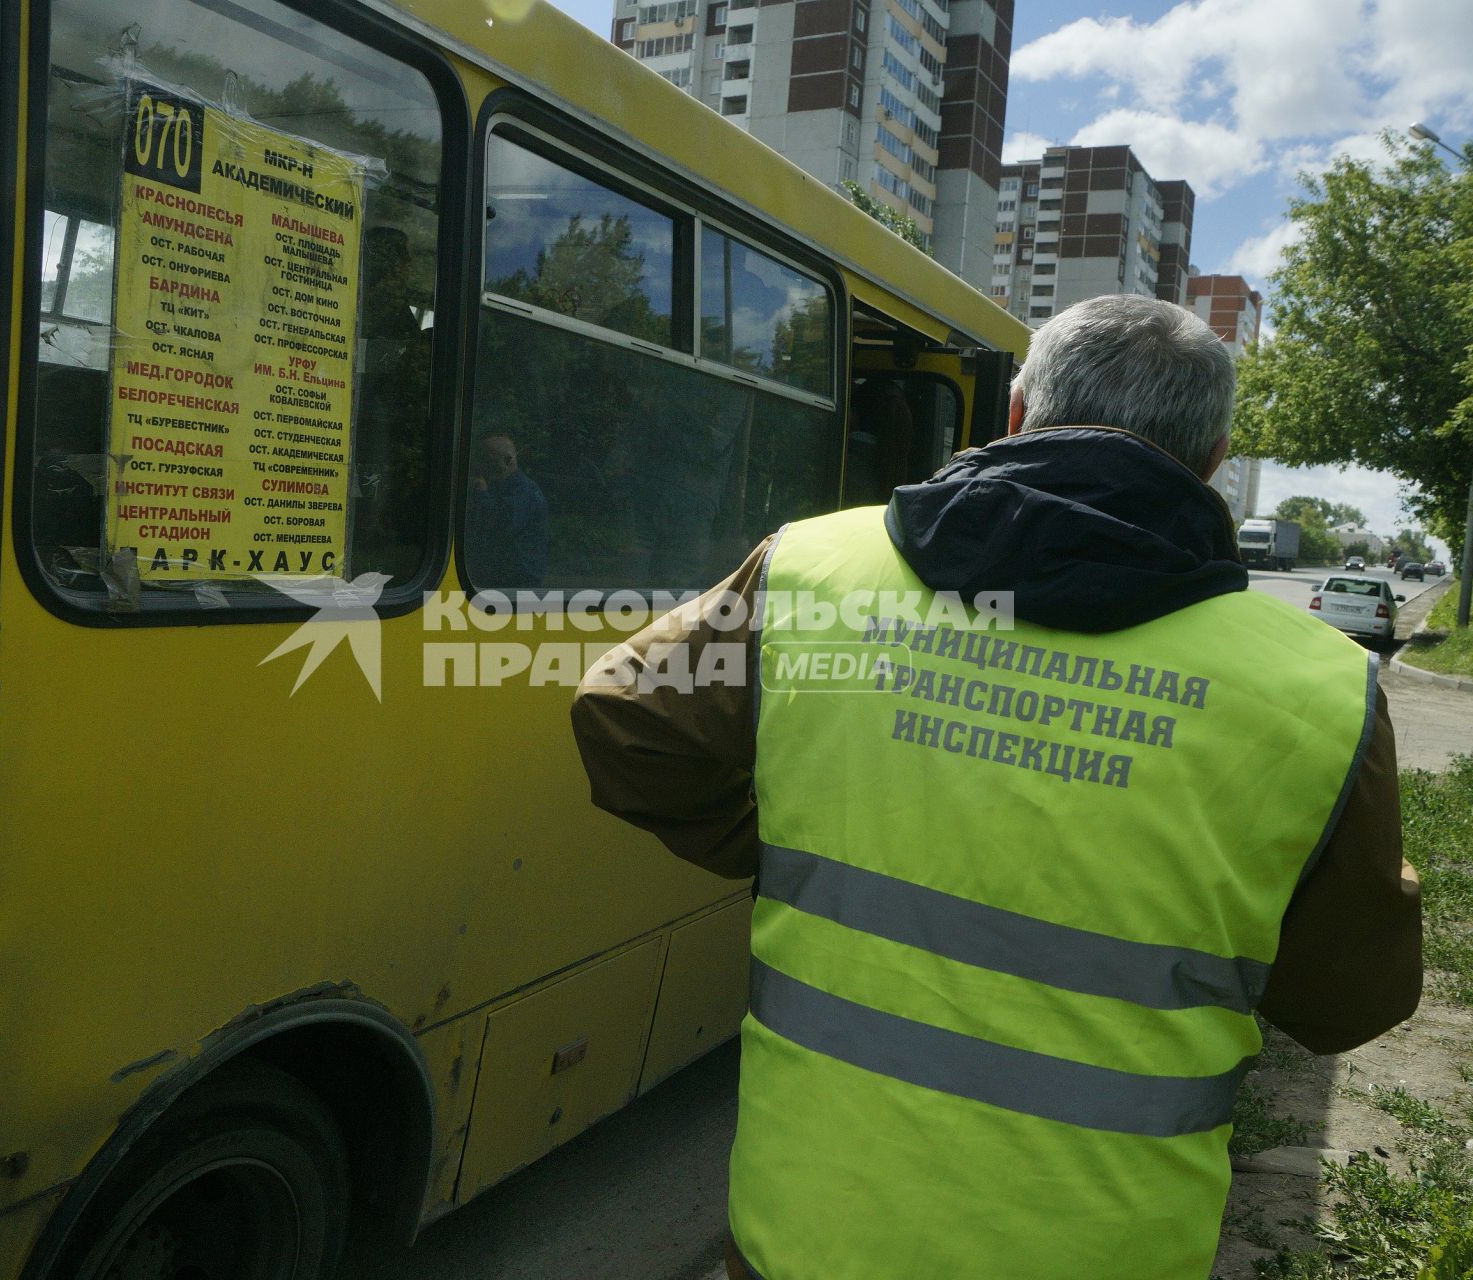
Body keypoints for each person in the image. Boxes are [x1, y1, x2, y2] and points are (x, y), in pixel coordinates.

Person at [570, 295, 1421, 1280]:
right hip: (1105, 1249)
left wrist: (787, 847)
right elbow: (1349, 1000)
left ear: (1014, 413)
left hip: (807, 1231)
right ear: (1213, 457)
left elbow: (624, 714)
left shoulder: (809, 567)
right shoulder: (1318, 689)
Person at [465, 433, 548, 589]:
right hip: (501, 578)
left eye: (487, 459)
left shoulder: (523, 491)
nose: (481, 465)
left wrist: (481, 494)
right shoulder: (499, 487)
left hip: (518, 583)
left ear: (508, 460)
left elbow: (502, 525)